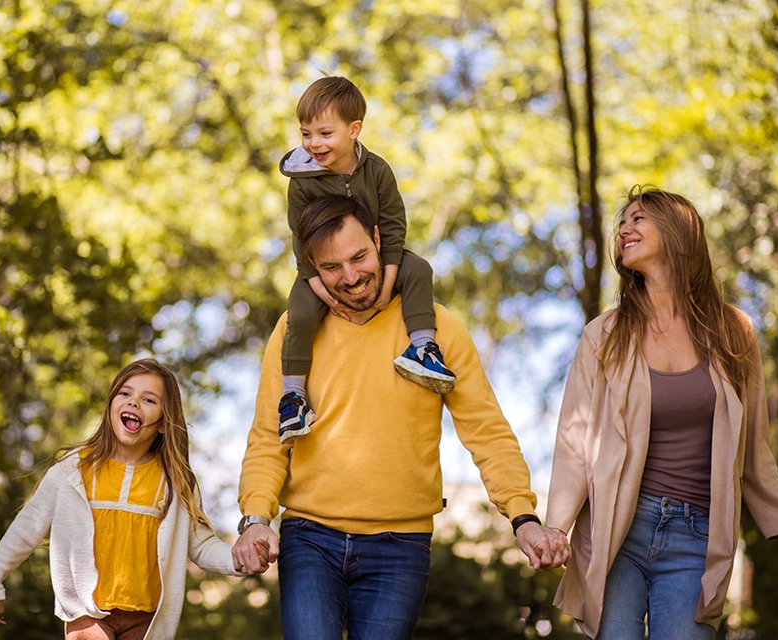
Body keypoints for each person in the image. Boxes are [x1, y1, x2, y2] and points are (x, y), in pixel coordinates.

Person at [233, 195, 570, 640]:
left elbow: (485, 431)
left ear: (377, 240)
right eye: (332, 267)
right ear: (313, 268)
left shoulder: (435, 328)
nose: (351, 277)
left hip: (400, 545)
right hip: (309, 537)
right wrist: (256, 518)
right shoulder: (295, 330)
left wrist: (523, 517)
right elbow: (268, 436)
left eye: (358, 257)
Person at [544, 186, 778, 639]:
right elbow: (575, 443)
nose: (625, 227)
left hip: (695, 538)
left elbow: (752, 449)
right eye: (622, 221)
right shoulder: (605, 334)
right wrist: (555, 527)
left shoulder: (733, 333)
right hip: (620, 528)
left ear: (679, 232)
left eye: (639, 219)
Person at [0, 359, 249, 639]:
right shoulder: (73, 470)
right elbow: (28, 526)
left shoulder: (176, 483)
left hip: (147, 620)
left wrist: (239, 559)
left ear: (164, 424)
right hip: (86, 614)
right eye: (125, 393)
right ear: (110, 406)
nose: (133, 403)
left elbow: (201, 545)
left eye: (148, 400)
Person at [277, 75, 456, 444]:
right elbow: (299, 237)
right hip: (320, 269)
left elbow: (392, 225)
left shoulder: (376, 171)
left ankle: (422, 345)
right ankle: (293, 395)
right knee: (301, 311)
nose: (314, 143)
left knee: (419, 268)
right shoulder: (302, 180)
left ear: (354, 129)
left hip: (377, 259)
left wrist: (388, 281)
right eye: (306, 134)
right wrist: (321, 290)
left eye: (325, 133)